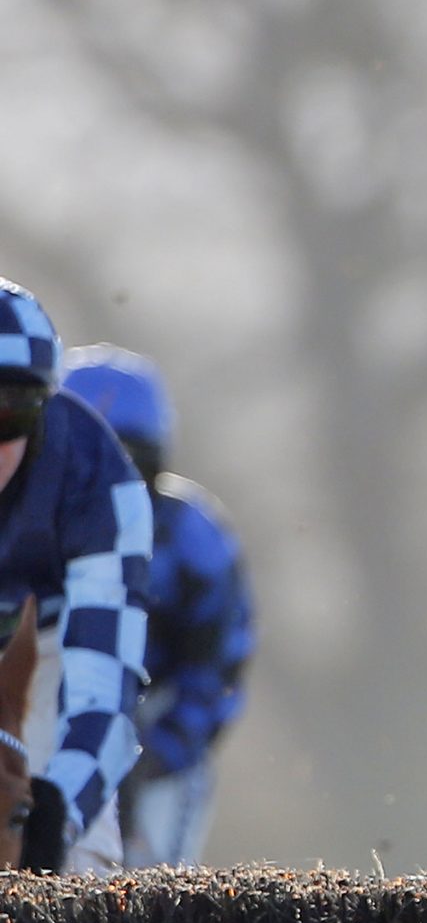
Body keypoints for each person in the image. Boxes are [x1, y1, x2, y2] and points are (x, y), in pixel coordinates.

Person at [62, 344, 254, 867]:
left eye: (129, 458)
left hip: (159, 741)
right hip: (52, 732)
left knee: (150, 904)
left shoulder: (194, 536)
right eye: (88, 456)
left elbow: (219, 666)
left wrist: (159, 752)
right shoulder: (34, 526)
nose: (109, 478)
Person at [0, 280, 153, 872]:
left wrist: (60, 809)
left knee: (78, 858)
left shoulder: (100, 483)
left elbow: (101, 687)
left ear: (44, 409)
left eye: (8, 411)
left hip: (50, 641)